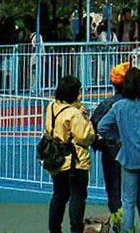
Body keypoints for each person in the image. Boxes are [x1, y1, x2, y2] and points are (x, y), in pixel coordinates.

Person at [97, 67, 140, 233]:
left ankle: (127, 231)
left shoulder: (119, 106)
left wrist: (118, 139)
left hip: (128, 158)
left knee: (127, 202)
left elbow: (102, 126)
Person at [91, 63, 140, 231]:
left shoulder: (108, 104)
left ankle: (119, 226)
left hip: (112, 151)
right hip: (137, 151)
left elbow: (95, 126)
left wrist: (107, 141)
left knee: (114, 190)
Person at [44, 75, 96, 233]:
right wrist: (88, 122)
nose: (80, 95)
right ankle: (76, 229)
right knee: (78, 196)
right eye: (78, 92)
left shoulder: (51, 107)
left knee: (59, 195)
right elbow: (85, 136)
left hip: (57, 158)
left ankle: (54, 229)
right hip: (75, 161)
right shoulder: (74, 113)